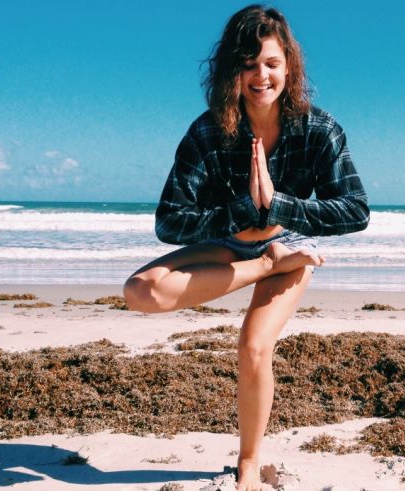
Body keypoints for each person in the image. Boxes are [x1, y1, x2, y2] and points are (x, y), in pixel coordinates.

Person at [122, 4, 369, 490]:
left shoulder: (320, 130)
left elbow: (355, 209)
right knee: (140, 292)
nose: (262, 75)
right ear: (231, 70)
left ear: (289, 67)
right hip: (230, 244)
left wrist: (280, 207)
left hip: (289, 244)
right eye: (249, 63)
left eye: (272, 63)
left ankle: (250, 464)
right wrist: (241, 211)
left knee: (254, 347)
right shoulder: (208, 130)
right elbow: (170, 220)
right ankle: (263, 266)